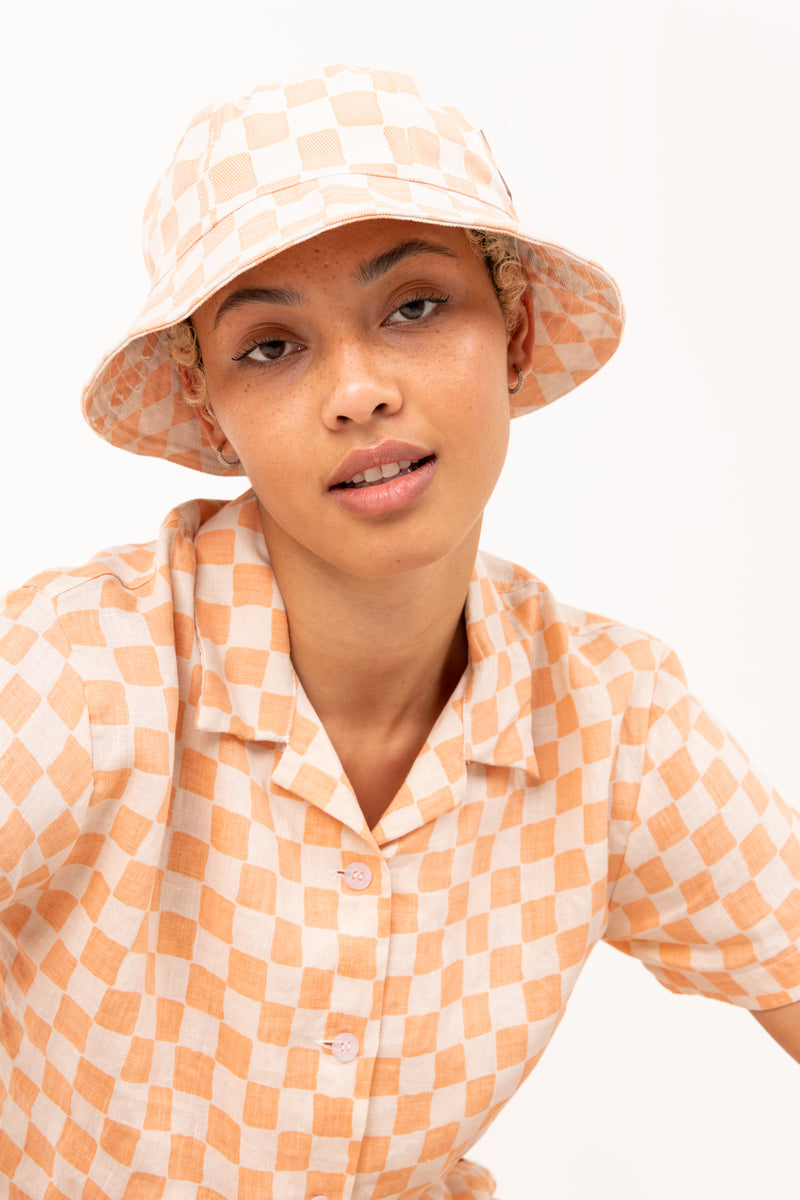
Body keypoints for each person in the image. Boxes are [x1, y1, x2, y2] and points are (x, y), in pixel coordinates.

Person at [0, 64, 797, 1199]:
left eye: (414, 307)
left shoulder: (610, 717)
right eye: (270, 347)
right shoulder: (75, 674)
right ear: (209, 409)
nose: (357, 391)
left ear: (514, 332)